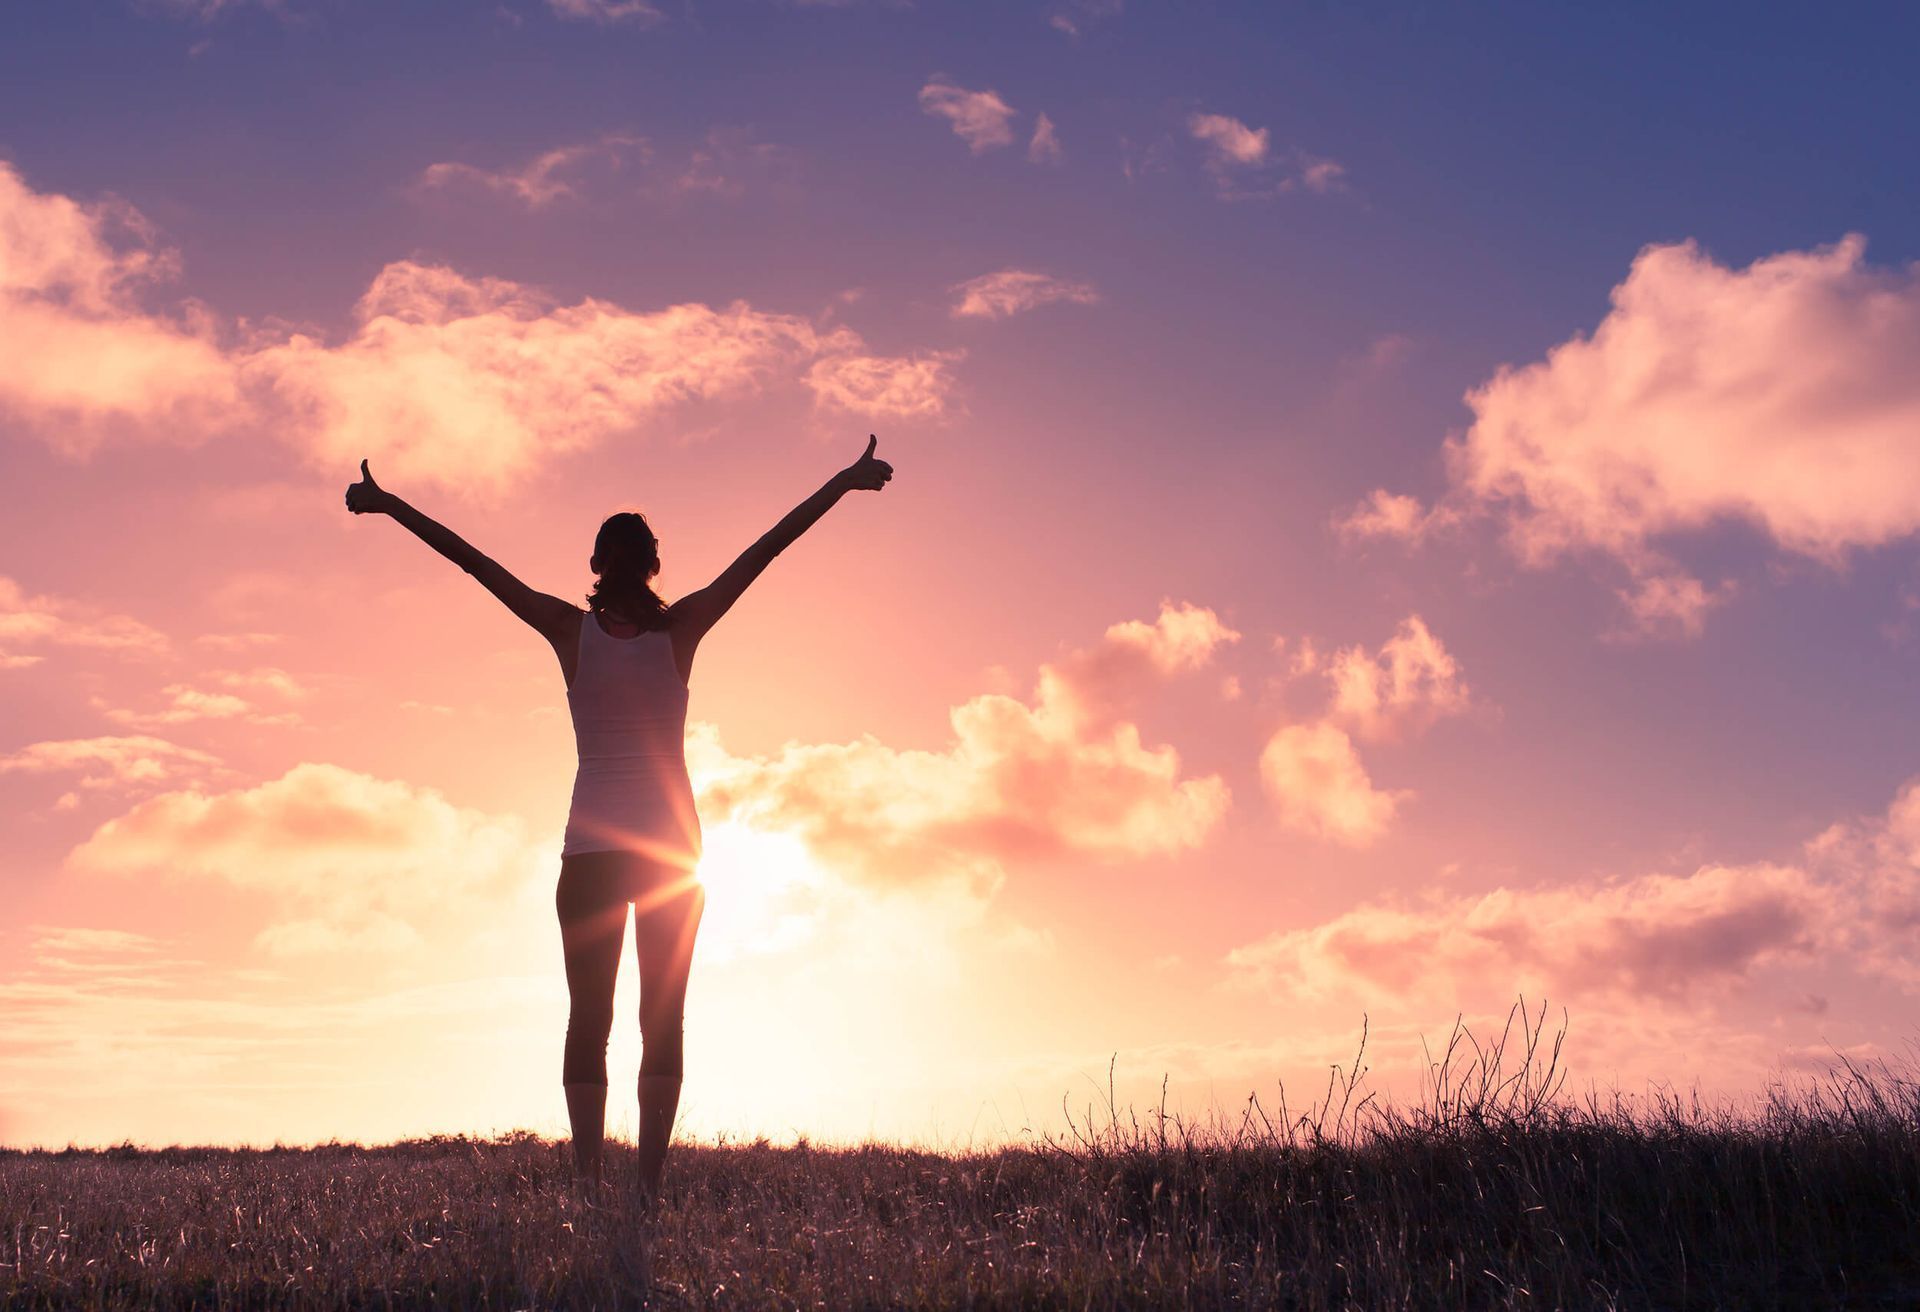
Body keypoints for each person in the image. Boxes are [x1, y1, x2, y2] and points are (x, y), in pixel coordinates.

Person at [343, 436, 895, 1204]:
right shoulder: (685, 629)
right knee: (660, 1021)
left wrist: (388, 502)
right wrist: (843, 479)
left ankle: (589, 1184)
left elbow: (474, 563)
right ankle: (645, 1186)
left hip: (592, 855)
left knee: (588, 1022)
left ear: (598, 566)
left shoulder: (572, 632)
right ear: (654, 567)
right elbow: (767, 549)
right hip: (673, 857)